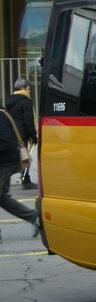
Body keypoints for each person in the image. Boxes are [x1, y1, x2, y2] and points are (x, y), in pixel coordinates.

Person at [0, 101, 40, 239]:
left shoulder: (1, 117)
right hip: (8, 161)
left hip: (4, 162)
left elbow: (5, 143)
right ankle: (34, 217)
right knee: (3, 198)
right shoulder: (4, 115)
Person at [6, 78, 37, 189]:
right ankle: (26, 181)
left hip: (11, 133)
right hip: (22, 135)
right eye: (29, 88)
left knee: (14, 158)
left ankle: (7, 181)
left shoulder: (9, 100)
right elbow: (28, 121)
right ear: (23, 88)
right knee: (24, 157)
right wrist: (34, 136)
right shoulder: (26, 101)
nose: (30, 91)